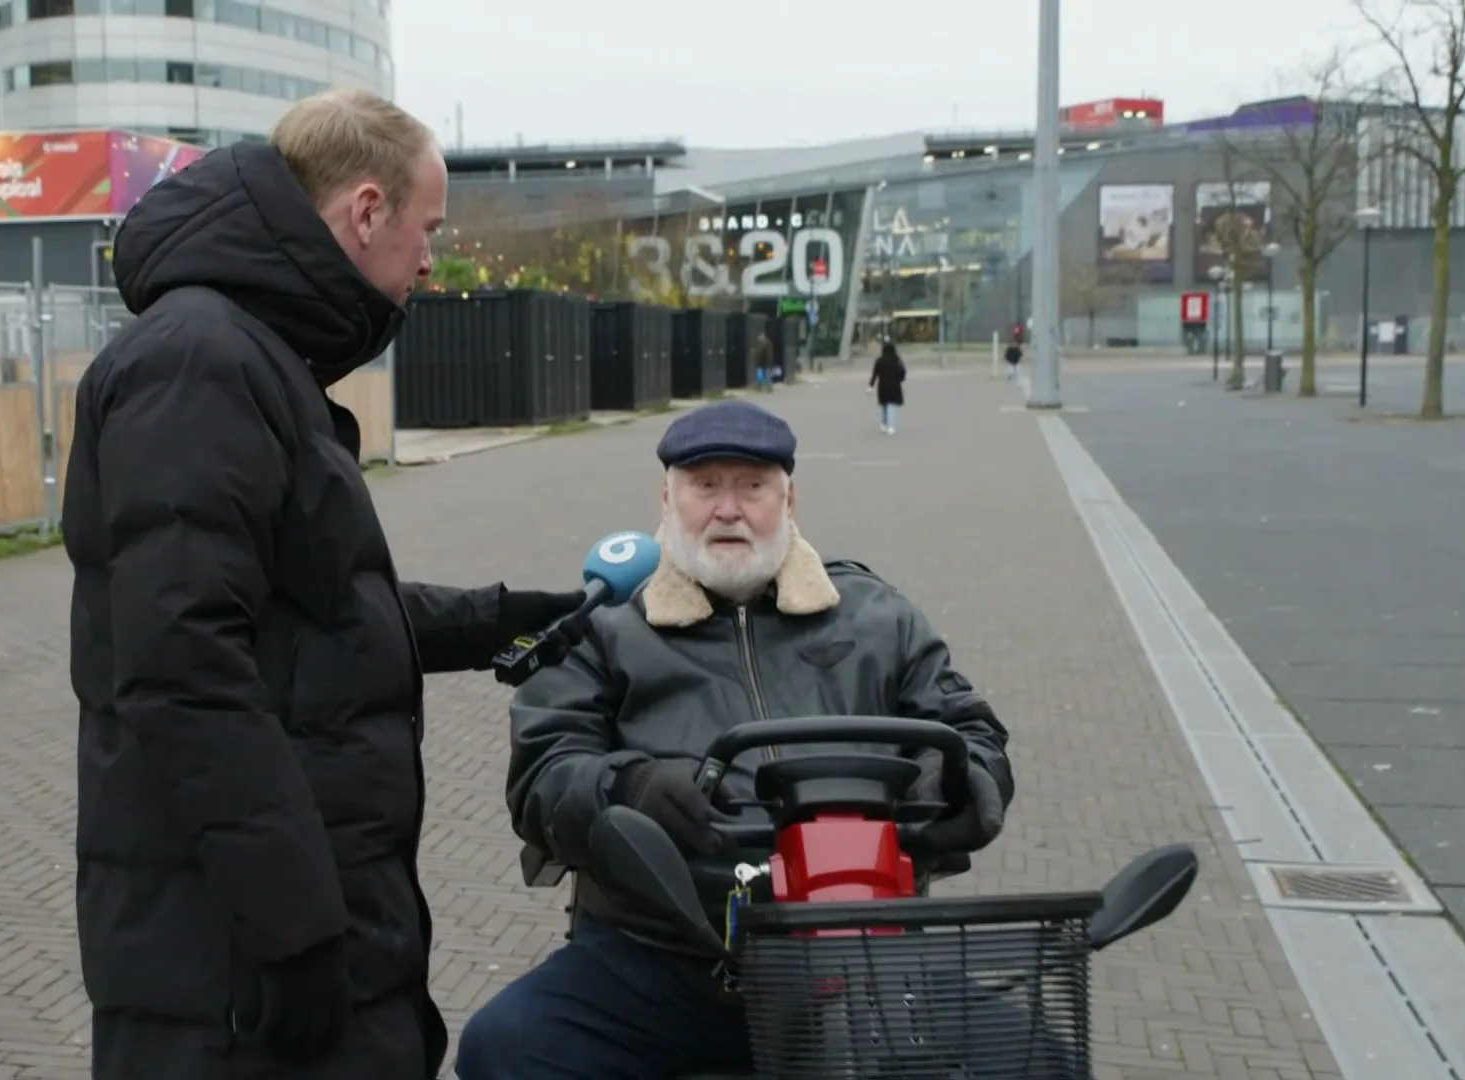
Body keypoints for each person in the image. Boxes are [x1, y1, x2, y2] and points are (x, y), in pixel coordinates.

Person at [60, 88, 590, 1080]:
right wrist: (296, 928)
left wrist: (500, 621)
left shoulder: (251, 357)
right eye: (427, 228)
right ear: (363, 212)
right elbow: (186, 671)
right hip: (229, 961)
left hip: (275, 921)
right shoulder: (200, 363)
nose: (431, 259)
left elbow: (307, 611)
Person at [454, 399, 1015, 1080]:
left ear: (789, 499)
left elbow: (969, 727)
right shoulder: (604, 630)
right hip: (657, 956)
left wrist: (956, 778)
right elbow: (545, 768)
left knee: (1035, 1051)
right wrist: (626, 787)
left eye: (752, 486)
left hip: (860, 952)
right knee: (504, 1046)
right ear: (667, 499)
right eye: (705, 486)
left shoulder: (877, 616)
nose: (729, 509)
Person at [868, 340, 906, 434]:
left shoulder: (880, 360)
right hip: (894, 385)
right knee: (891, 405)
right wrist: (900, 379)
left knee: (884, 405)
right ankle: (891, 426)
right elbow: (903, 371)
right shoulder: (897, 359)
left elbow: (874, 374)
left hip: (883, 386)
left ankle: (884, 424)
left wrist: (870, 386)